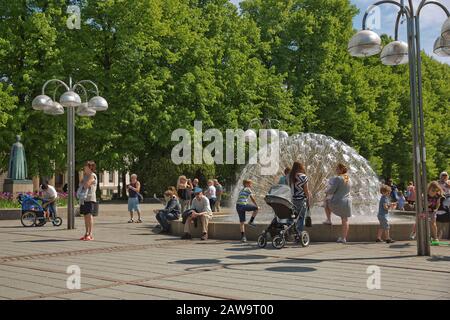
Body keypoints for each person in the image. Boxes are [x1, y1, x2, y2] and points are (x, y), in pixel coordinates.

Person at [323, 163, 352, 243]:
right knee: (345, 220)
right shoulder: (348, 178)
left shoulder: (338, 178)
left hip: (338, 201)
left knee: (325, 201)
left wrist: (325, 191)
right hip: (347, 202)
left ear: (341, 169)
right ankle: (343, 238)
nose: (336, 170)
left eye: (337, 169)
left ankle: (328, 219)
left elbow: (332, 190)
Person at [288, 162, 309, 240]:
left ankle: (290, 231)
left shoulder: (289, 176)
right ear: (301, 167)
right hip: (301, 200)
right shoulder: (303, 177)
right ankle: (299, 234)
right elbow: (306, 190)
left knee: (292, 217)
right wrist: (308, 200)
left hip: (292, 200)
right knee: (301, 218)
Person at [78, 161, 98, 241]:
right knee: (85, 216)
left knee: (89, 215)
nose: (84, 167)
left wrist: (84, 183)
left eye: (85, 166)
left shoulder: (92, 175)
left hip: (90, 198)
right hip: (84, 198)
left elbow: (86, 185)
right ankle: (86, 233)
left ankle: (90, 234)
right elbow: (81, 184)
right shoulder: (85, 175)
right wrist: (84, 183)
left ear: (90, 167)